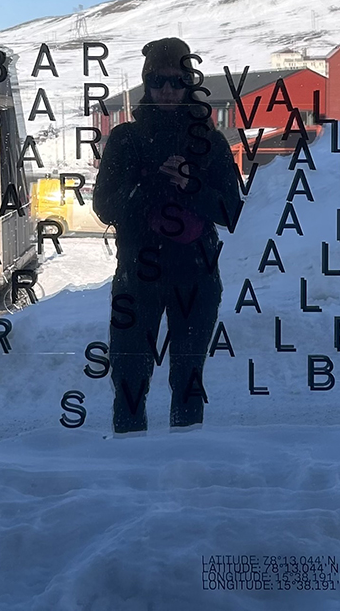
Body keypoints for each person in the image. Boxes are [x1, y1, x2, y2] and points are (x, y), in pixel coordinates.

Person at [92, 37, 241, 434]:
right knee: (129, 382)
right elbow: (104, 207)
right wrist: (154, 186)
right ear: (146, 83)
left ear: (189, 83)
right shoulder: (125, 139)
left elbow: (232, 211)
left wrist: (191, 185)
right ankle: (127, 478)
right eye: (158, 81)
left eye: (176, 81)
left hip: (196, 276)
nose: (167, 91)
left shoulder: (209, 142)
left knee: (188, 382)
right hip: (137, 279)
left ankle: (185, 478)